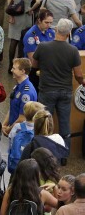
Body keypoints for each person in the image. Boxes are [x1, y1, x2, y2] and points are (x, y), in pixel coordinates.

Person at [32, 18, 84, 151]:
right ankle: (64, 153)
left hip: (47, 90)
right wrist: (82, 82)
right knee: (64, 122)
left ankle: (44, 150)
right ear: (68, 34)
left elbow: (34, 64)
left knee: (45, 122)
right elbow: (78, 74)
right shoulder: (73, 50)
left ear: (56, 29)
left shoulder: (43, 47)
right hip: (65, 91)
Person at [7, 0, 42, 72]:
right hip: (26, 17)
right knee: (23, 41)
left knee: (13, 40)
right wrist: (31, 9)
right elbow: (38, 1)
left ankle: (10, 65)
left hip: (15, 15)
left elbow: (9, 1)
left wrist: (11, 14)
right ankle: (19, 66)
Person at [2, 58, 37, 136]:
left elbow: (22, 118)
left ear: (22, 71)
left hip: (21, 134)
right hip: (13, 129)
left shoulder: (27, 93)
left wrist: (8, 130)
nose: (11, 70)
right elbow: (12, 107)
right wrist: (4, 124)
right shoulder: (18, 86)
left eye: (14, 68)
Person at [22, 9, 55, 91]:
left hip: (49, 70)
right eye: (46, 22)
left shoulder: (50, 32)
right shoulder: (31, 35)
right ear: (39, 20)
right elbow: (32, 60)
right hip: (35, 71)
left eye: (51, 23)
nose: (49, 25)